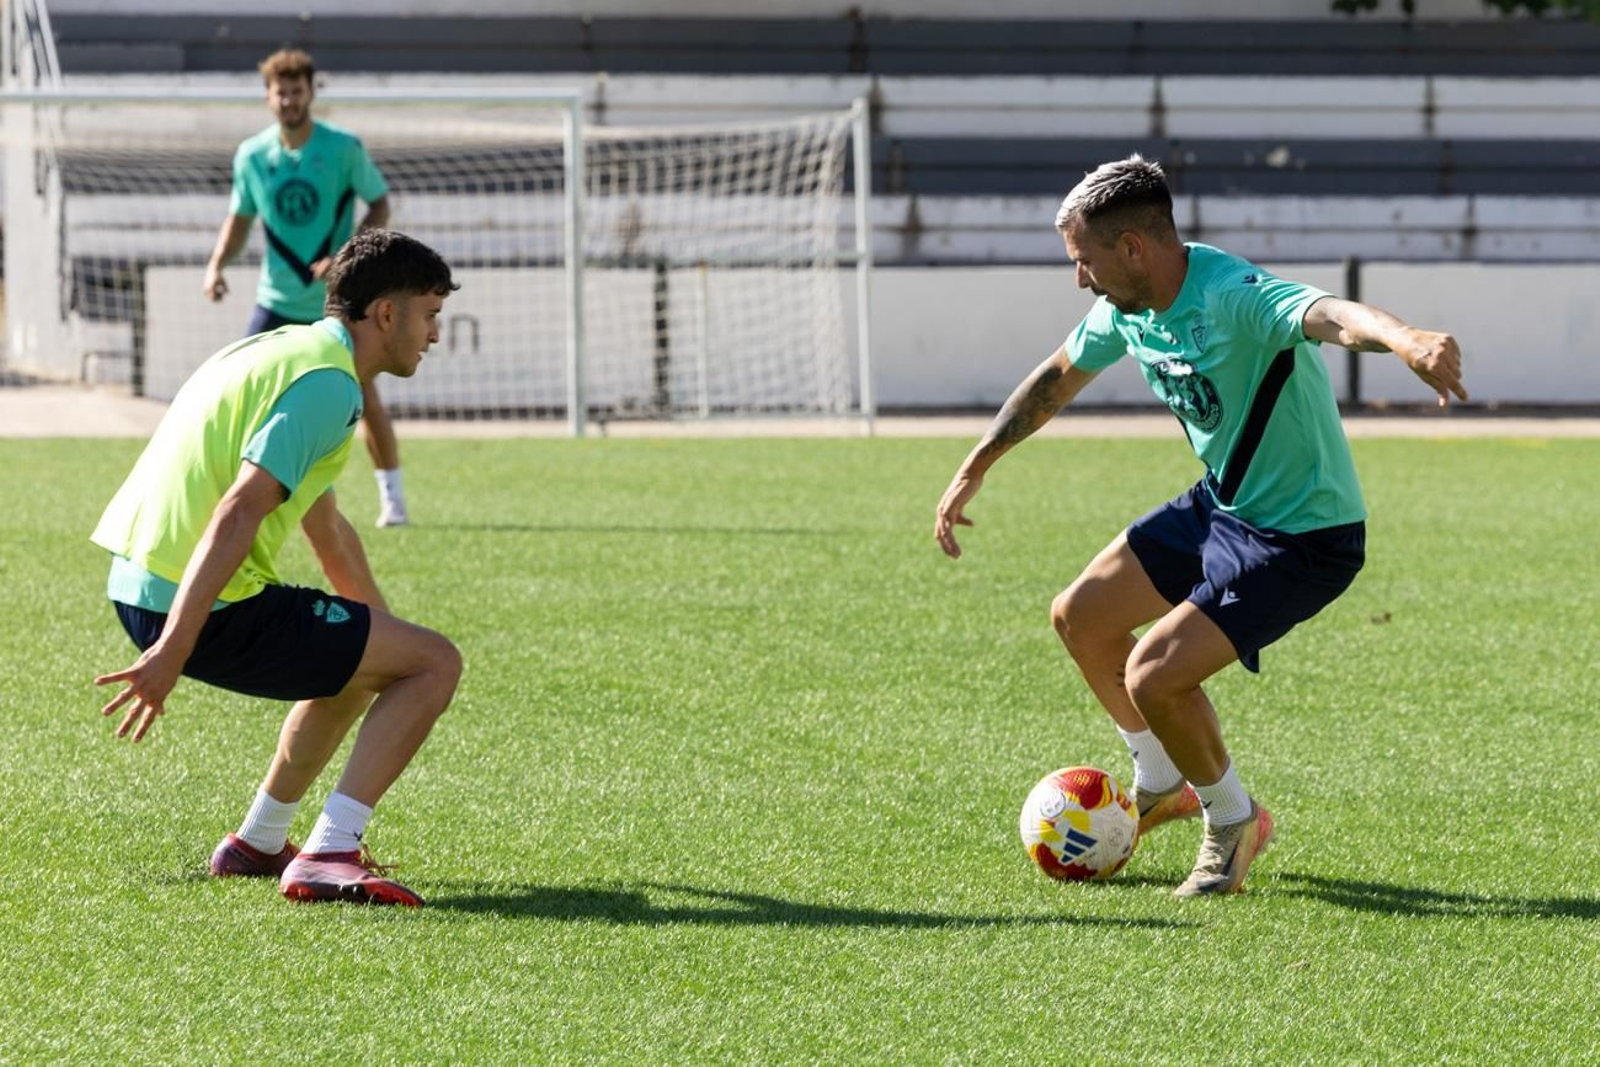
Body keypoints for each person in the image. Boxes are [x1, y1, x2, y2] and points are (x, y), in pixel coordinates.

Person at [934, 156, 1466, 898]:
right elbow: (1058, 374)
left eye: (1083, 261)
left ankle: (1233, 819)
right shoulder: (1127, 308)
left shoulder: (1231, 294)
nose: (1078, 279)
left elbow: (1331, 314)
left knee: (1154, 671)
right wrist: (978, 462)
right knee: (1080, 617)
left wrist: (1407, 340)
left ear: (1133, 250)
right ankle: (1161, 781)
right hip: (1225, 506)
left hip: (1304, 537)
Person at [93, 229, 461, 907]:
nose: (435, 333)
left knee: (365, 653)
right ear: (386, 313)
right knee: (436, 662)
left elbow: (328, 527)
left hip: (139, 581)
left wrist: (384, 633)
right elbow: (238, 511)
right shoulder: (327, 386)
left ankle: (259, 841)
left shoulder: (283, 351)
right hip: (194, 602)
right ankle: (330, 852)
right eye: (430, 314)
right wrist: (173, 647)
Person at [203, 47, 411, 528]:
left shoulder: (342, 149)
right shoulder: (252, 155)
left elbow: (379, 204)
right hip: (274, 298)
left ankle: (393, 497)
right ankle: (237, 494)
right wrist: (216, 265)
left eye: (297, 92)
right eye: (281, 93)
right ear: (268, 97)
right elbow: (239, 219)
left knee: (363, 392)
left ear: (311, 94)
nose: (289, 101)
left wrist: (347, 256)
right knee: (242, 390)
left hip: (336, 303)